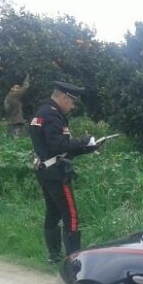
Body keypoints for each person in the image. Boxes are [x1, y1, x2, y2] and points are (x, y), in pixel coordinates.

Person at [28, 81, 100, 264]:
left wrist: (86, 148)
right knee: (71, 215)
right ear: (63, 97)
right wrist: (83, 141)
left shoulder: (42, 112)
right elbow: (58, 146)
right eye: (72, 102)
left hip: (45, 169)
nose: (73, 106)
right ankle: (73, 261)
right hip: (56, 173)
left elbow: (56, 149)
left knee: (53, 212)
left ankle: (54, 256)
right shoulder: (52, 115)